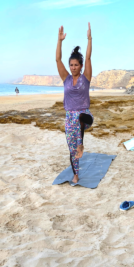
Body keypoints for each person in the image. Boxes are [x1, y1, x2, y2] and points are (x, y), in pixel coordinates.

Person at [56, 23, 93, 184]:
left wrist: (89, 39)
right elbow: (57, 59)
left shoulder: (86, 78)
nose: (73, 68)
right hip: (69, 117)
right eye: (71, 65)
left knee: (79, 117)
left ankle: (81, 145)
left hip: (85, 115)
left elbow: (89, 56)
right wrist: (60, 41)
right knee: (71, 148)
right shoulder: (66, 78)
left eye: (76, 65)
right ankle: (75, 174)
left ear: (81, 66)